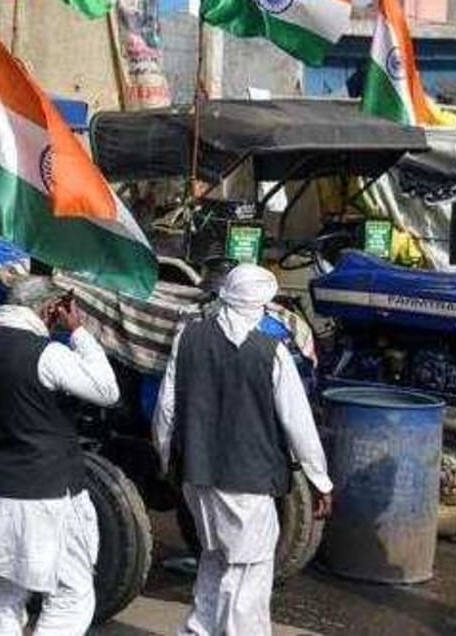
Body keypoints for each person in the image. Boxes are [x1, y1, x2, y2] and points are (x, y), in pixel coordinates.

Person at [152, 263, 331, 636]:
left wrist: (170, 460)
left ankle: (199, 630)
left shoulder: (189, 338)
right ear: (263, 305)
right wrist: (320, 481)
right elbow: (298, 423)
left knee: (214, 558)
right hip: (247, 481)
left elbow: (166, 411)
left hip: (196, 476)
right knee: (247, 571)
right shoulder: (271, 352)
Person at [0, 275, 120, 636]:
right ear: (49, 309)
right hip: (48, 495)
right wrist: (79, 332)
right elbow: (107, 390)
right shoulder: (49, 354)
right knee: (72, 593)